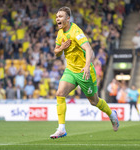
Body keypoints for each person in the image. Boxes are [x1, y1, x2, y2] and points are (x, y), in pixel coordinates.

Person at [50, 7, 119, 139]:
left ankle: (111, 114)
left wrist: (87, 66)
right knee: (60, 93)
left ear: (68, 18)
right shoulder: (60, 33)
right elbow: (56, 52)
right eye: (57, 16)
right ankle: (61, 129)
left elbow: (88, 49)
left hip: (83, 71)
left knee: (94, 101)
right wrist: (62, 48)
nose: (57, 18)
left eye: (60, 16)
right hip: (70, 70)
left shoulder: (76, 31)